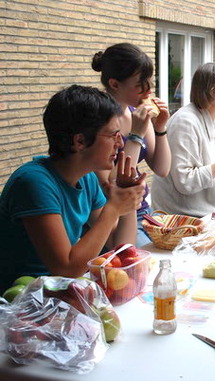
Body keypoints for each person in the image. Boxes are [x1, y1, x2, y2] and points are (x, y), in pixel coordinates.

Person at [0, 85, 145, 292]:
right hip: (19, 302)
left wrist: (127, 199)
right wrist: (113, 208)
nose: (120, 142)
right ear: (80, 141)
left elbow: (120, 249)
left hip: (57, 294)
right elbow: (66, 268)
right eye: (113, 134)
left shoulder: (86, 179)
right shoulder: (34, 183)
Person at [150, 62, 215, 218]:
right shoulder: (185, 122)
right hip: (182, 217)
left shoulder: (214, 117)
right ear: (207, 90)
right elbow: (185, 182)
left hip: (208, 211)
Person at [91, 42, 171, 246]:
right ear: (115, 84)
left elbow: (162, 169)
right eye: (139, 84)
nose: (148, 90)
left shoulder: (137, 113)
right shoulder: (99, 122)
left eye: (149, 82)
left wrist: (160, 127)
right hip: (115, 217)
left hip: (144, 210)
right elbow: (110, 182)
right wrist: (135, 135)